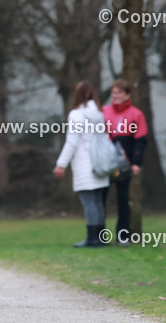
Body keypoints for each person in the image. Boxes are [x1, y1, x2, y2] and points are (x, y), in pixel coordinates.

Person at [53, 82, 110, 248]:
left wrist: (61, 164)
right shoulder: (99, 113)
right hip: (101, 163)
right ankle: (101, 237)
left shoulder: (77, 115)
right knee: (98, 202)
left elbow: (72, 142)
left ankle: (92, 239)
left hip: (85, 163)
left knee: (89, 202)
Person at [102, 78, 148, 245]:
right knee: (101, 199)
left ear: (127, 94)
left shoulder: (135, 115)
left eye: (119, 93)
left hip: (125, 164)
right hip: (105, 163)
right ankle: (99, 235)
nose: (115, 96)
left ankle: (123, 236)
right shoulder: (104, 112)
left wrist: (136, 163)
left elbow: (140, 141)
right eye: (113, 93)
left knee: (123, 200)